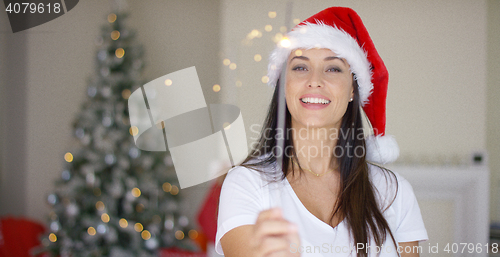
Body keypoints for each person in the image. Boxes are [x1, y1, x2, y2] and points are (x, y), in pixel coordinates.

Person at [215, 6, 428, 257]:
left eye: (333, 68)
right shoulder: (246, 183)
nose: (314, 80)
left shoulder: (394, 192)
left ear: (352, 89)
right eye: (300, 67)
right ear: (283, 85)